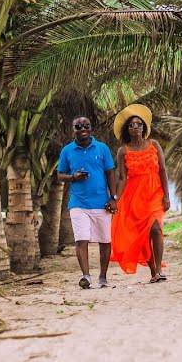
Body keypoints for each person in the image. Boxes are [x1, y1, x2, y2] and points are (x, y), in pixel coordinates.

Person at [110, 104, 171, 283]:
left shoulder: (154, 144)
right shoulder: (123, 151)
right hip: (134, 197)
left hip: (155, 192)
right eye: (131, 125)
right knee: (143, 235)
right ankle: (153, 270)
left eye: (139, 124)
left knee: (156, 229)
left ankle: (159, 269)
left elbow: (163, 170)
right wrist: (115, 199)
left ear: (144, 127)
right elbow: (122, 178)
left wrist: (167, 195)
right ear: (127, 130)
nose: (135, 127)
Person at [57, 115, 118, 289]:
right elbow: (60, 175)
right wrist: (73, 177)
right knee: (81, 240)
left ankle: (103, 277)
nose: (82, 129)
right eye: (78, 126)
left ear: (91, 128)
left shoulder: (102, 148)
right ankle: (86, 276)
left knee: (105, 241)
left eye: (86, 125)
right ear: (73, 130)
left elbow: (110, 174)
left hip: (101, 203)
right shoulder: (67, 151)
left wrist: (113, 198)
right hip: (78, 203)